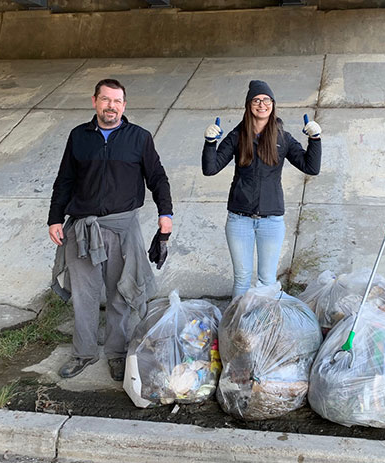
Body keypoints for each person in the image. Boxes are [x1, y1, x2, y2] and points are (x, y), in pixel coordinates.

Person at [48, 78, 173, 382]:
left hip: (121, 228)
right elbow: (64, 180)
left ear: (124, 106)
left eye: (117, 101)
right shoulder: (79, 137)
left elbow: (157, 177)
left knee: (120, 293)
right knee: (84, 295)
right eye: (105, 100)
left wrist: (165, 213)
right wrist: (54, 218)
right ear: (94, 102)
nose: (111, 106)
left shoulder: (139, 138)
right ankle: (84, 353)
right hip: (83, 229)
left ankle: (116, 354)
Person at [202, 80, 322, 297]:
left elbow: (310, 167)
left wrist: (315, 140)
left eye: (266, 100)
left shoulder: (282, 137)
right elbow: (210, 169)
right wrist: (210, 143)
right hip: (239, 219)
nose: (262, 104)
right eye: (256, 100)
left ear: (273, 104)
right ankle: (237, 328)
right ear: (249, 105)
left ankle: (264, 330)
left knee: (267, 280)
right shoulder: (238, 135)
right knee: (242, 279)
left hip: (271, 220)